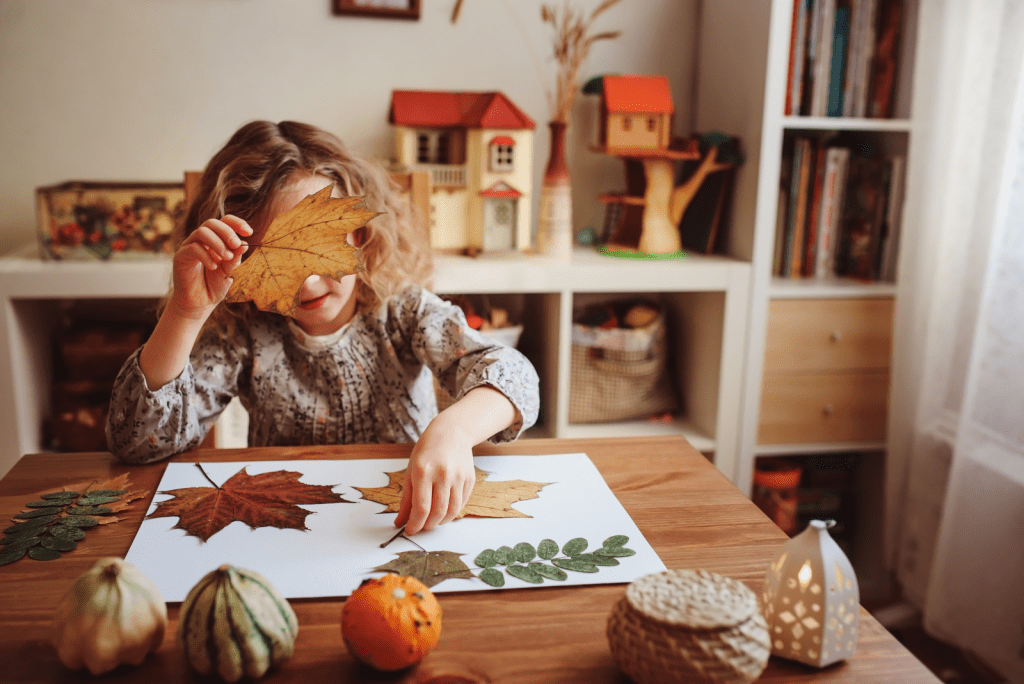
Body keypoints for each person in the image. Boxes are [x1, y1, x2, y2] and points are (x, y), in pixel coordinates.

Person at [106, 120, 540, 536]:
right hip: (285, 523)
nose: (308, 283)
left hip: (399, 516)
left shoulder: (403, 313)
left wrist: (454, 430)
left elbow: (515, 377)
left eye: (319, 251)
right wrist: (185, 313)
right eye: (275, 261)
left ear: (362, 236)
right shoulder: (241, 333)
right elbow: (138, 443)